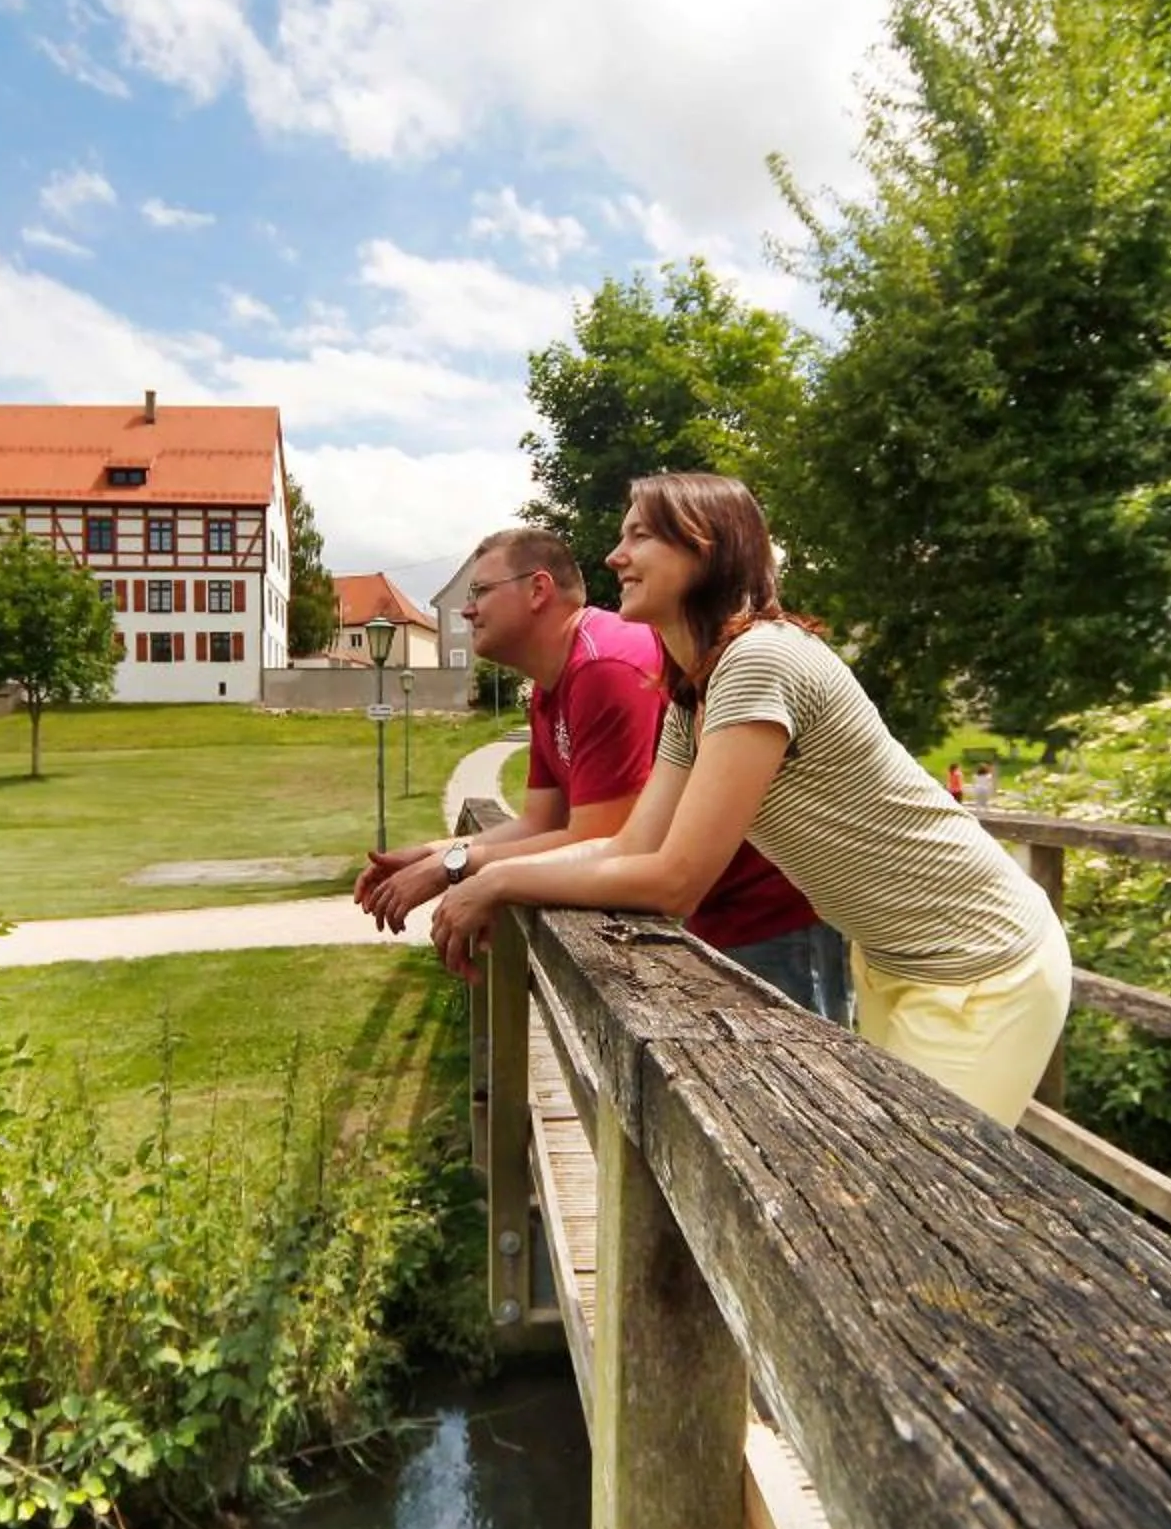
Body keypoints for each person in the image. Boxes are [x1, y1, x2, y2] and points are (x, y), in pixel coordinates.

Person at [430, 474, 1070, 1125]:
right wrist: (492, 874)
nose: (614, 557)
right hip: (892, 961)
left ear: (705, 548)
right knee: (878, 1173)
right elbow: (630, 845)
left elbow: (675, 881)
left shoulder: (760, 659)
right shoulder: (692, 690)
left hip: (982, 966)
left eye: (640, 536)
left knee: (923, 1194)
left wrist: (500, 879)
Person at [354, 525, 850, 1020]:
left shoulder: (606, 666)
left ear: (538, 590)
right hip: (711, 910)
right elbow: (542, 824)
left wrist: (462, 869)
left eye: (480, 591)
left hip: (772, 916)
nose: (467, 609)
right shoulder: (553, 685)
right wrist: (435, 854)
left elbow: (600, 836)